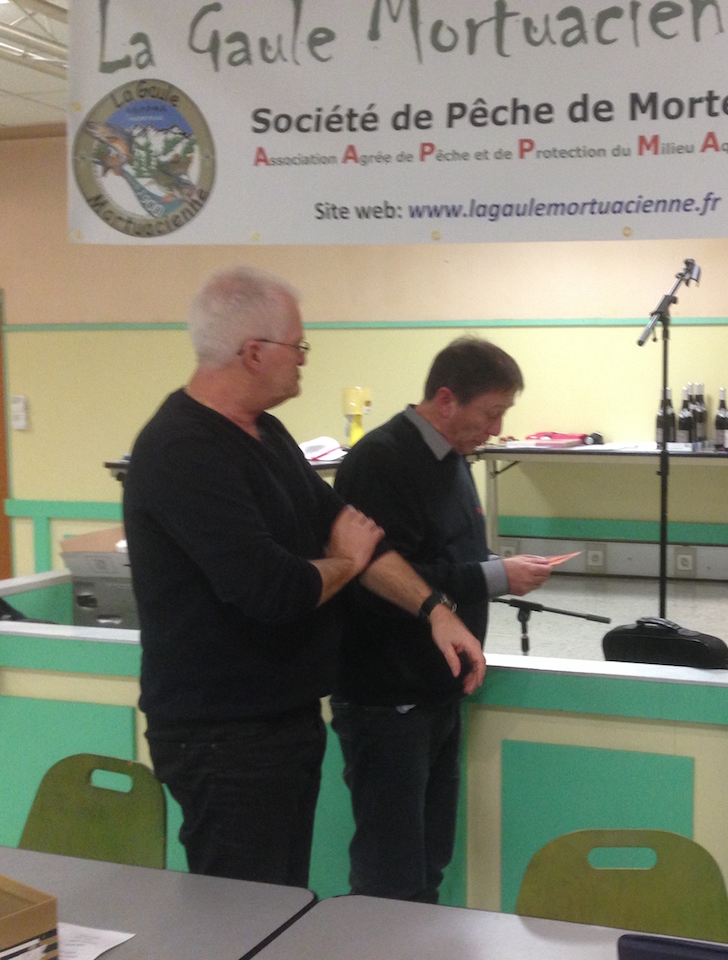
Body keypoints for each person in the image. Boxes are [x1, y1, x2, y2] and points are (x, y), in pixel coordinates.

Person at [124, 267, 485, 887]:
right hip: (222, 737)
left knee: (282, 902)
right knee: (244, 913)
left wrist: (435, 610)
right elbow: (274, 590)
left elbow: (353, 529)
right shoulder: (182, 450)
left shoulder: (264, 431)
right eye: (298, 346)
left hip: (283, 718)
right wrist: (343, 563)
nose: (303, 360)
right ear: (253, 353)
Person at [331, 336, 553, 902]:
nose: (496, 429)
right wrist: (496, 577)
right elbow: (386, 575)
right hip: (388, 698)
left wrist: (497, 570)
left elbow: (450, 556)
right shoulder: (382, 461)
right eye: (491, 413)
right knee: (392, 874)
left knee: (430, 862)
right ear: (447, 400)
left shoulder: (452, 458)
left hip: (436, 690)